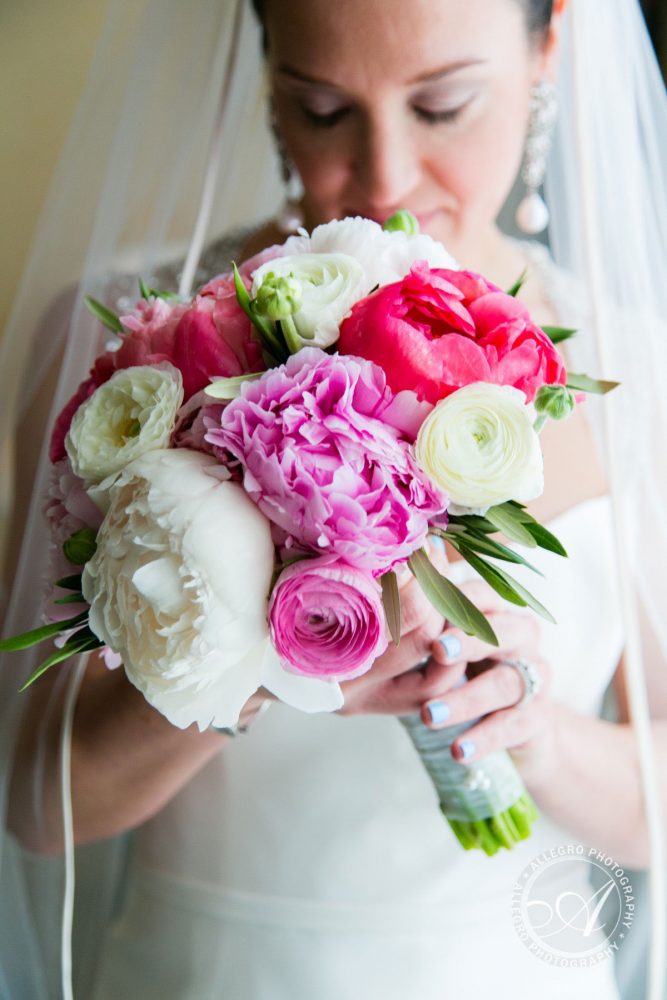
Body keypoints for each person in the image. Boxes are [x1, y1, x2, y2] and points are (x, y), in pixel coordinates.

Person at [0, 0, 665, 998]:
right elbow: (42, 806)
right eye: (320, 110)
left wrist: (533, 731)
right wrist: (256, 660)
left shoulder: (636, 367)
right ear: (266, 79)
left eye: (443, 105)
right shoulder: (129, 365)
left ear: (548, 45)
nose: (386, 175)